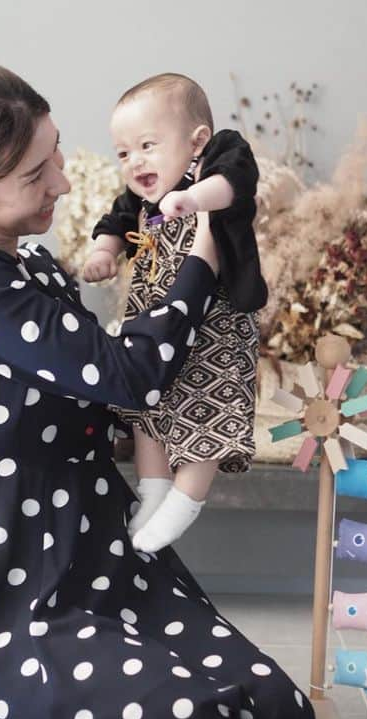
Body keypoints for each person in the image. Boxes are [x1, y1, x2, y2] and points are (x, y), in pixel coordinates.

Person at [0, 59, 367, 719]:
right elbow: (128, 376)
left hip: (97, 547)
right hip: (14, 576)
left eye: (56, 155)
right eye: (38, 172)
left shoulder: (32, 266)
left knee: (271, 706)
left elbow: (100, 392)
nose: (62, 184)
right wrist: (199, 272)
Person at [83, 73, 267, 555]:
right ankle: (154, 492)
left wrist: (193, 199)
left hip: (215, 329)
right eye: (123, 153)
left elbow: (237, 184)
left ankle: (183, 504)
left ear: (196, 141)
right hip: (155, 326)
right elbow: (116, 222)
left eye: (147, 145)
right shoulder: (140, 199)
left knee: (206, 414)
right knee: (147, 411)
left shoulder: (218, 158)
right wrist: (105, 251)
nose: (135, 161)